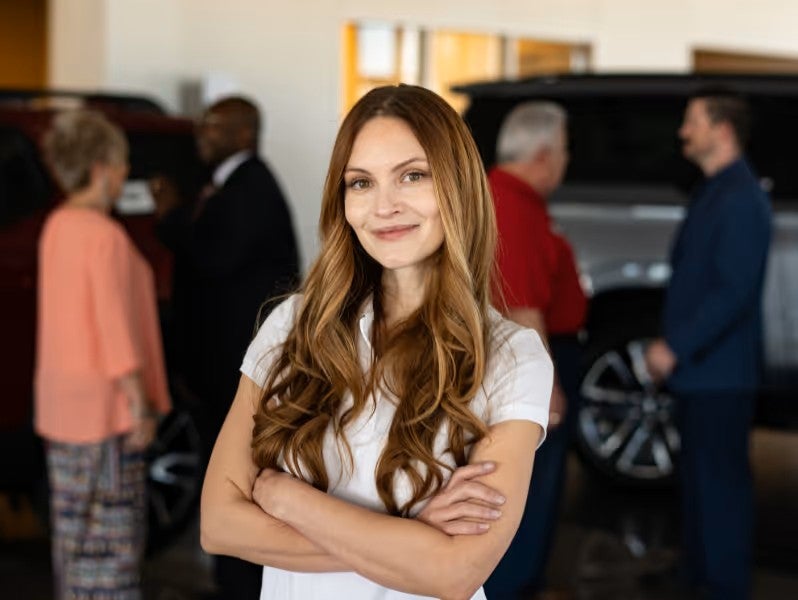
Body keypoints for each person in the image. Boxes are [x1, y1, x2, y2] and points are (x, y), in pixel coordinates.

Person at [200, 84, 554, 600]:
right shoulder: (293, 325)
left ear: (456, 187)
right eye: (361, 183)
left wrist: (283, 497)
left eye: (412, 176)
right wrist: (411, 535)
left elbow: (454, 573)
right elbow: (218, 524)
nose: (384, 206)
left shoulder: (511, 356)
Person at [153, 96, 300, 598]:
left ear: (243, 134)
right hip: (224, 362)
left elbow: (214, 257)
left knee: (241, 469)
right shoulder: (229, 184)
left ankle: (243, 578)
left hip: (245, 365)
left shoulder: (252, 185)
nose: (201, 134)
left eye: (212, 127)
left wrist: (171, 217)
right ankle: (233, 574)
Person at [35, 109, 172, 599]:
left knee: (74, 539)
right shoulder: (104, 236)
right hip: (107, 410)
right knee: (112, 546)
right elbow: (114, 328)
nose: (124, 175)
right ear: (98, 168)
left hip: (61, 409)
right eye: (120, 165)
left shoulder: (58, 225)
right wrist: (139, 403)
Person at [645, 87, 772, 600]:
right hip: (704, 371)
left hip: (720, 371)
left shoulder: (740, 196)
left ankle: (723, 586)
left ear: (721, 130)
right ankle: (700, 577)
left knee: (719, 486)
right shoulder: (716, 190)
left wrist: (675, 345)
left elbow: (733, 290)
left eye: (691, 122)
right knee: (699, 483)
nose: (683, 132)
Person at [483, 102, 587, 599]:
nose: (567, 160)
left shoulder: (511, 197)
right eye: (566, 149)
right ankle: (515, 586)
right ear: (544, 154)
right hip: (531, 363)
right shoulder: (511, 203)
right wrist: (549, 389)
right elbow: (522, 307)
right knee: (531, 488)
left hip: (530, 356)